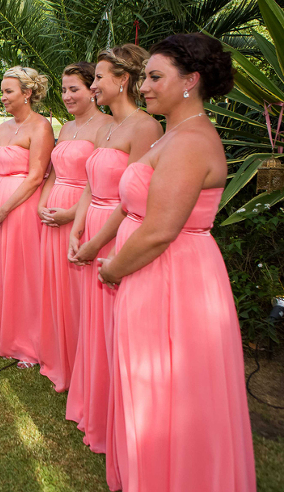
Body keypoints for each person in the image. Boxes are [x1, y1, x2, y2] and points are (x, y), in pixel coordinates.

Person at [97, 33, 255, 492]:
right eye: (145, 76)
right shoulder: (174, 133)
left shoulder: (190, 141)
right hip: (156, 271)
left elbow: (160, 230)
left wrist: (111, 269)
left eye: (154, 77)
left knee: (165, 387)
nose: (143, 85)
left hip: (169, 276)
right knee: (155, 389)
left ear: (191, 81)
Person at [64, 44, 162, 458]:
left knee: (114, 332)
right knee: (95, 326)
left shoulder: (146, 129)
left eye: (100, 77)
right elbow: (90, 183)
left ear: (122, 81)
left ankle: (120, 420)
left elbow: (133, 200)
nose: (94, 83)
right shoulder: (104, 128)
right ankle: (96, 405)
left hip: (118, 235)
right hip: (92, 228)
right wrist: (76, 227)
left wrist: (95, 242)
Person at [35, 63, 112, 392]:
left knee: (78, 296)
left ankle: (84, 370)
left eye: (74, 89)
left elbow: (99, 178)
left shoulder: (107, 127)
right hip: (51, 215)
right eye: (64, 90)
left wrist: (69, 214)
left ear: (92, 90)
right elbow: (53, 172)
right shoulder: (65, 128)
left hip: (81, 215)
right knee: (55, 291)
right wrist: (42, 201)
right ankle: (59, 360)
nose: (67, 96)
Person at [0, 66, 54, 366]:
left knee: (23, 272)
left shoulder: (41, 128)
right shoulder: (1, 128)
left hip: (21, 209)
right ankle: (1, 326)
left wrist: (5, 208)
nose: (3, 97)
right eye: (2, 91)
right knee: (0, 267)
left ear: (27, 93)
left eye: (8, 91)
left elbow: (36, 177)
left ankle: (26, 340)